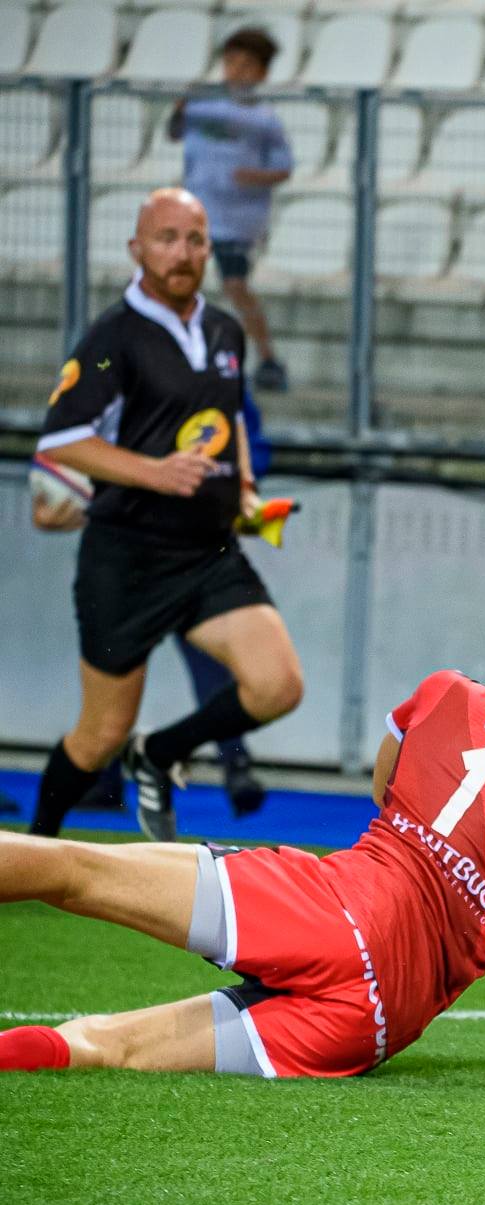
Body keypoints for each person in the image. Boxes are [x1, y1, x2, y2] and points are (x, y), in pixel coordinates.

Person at [0, 606, 485, 1076]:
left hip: (334, 910)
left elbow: (386, 791)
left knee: (73, 870)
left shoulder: (450, 694)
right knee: (107, 1048)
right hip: (373, 1021)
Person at [28, 188, 305, 846]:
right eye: (167, 238)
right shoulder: (110, 340)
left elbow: (228, 416)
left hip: (208, 555)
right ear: (137, 248)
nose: (182, 253)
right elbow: (61, 440)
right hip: (127, 561)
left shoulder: (225, 330)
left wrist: (244, 488)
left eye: (195, 239)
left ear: (210, 249)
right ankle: (32, 847)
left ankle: (158, 754)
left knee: (278, 685)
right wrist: (153, 472)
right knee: (99, 734)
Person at [27, 388, 275, 818]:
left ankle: (231, 764)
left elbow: (248, 443)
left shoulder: (216, 369)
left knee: (229, 672)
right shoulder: (112, 372)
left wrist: (236, 490)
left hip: (196, 554)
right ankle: (102, 782)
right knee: (112, 689)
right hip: (126, 560)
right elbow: (71, 444)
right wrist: (86, 495)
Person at [169, 27, 293, 393]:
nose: (237, 71)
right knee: (176, 282)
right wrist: (178, 109)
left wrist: (254, 176)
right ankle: (173, 358)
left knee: (235, 284)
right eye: (231, 62)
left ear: (262, 73)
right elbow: (174, 132)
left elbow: (283, 168)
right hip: (195, 212)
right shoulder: (203, 104)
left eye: (247, 65)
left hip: (236, 220)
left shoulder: (265, 119)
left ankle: (268, 358)